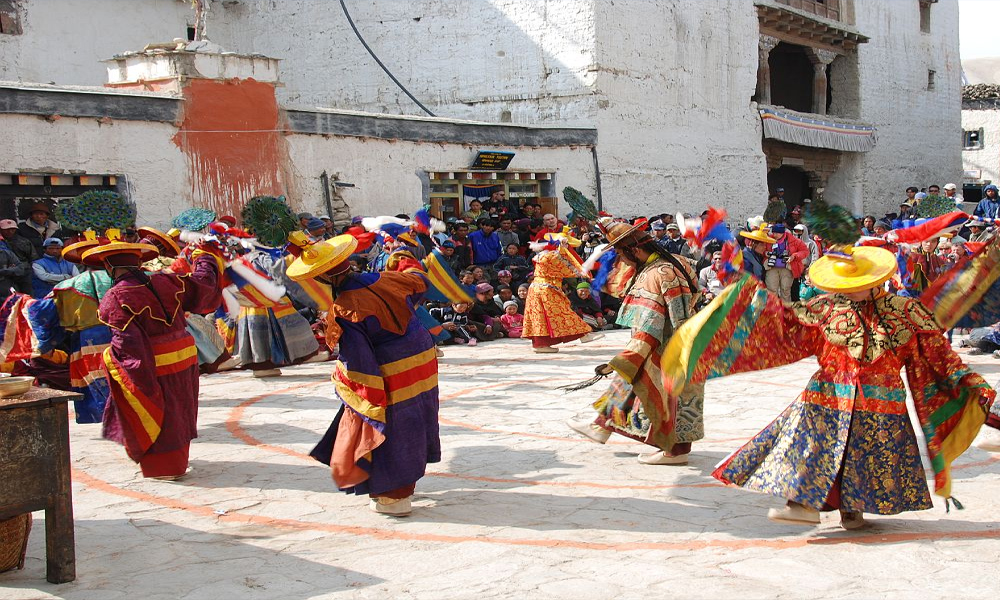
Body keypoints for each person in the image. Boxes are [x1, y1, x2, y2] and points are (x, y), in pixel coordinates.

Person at [662, 236, 995, 530]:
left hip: (881, 402)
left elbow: (938, 356)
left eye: (855, 285)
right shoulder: (825, 308)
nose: (847, 291)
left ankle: (852, 510)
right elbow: (783, 321)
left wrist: (970, 383)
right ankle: (803, 506)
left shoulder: (907, 312)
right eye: (843, 285)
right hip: (826, 396)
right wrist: (747, 293)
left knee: (865, 459)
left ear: (877, 281)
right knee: (811, 448)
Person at [288, 234, 442, 516]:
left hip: (392, 370)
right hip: (422, 359)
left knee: (388, 426)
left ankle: (394, 496)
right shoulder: (387, 278)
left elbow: (358, 361)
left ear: (321, 278)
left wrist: (357, 391)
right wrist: (401, 257)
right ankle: (403, 484)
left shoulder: (345, 308)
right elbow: (420, 282)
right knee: (417, 417)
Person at [82, 235, 222, 479]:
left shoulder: (117, 296)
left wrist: (126, 368)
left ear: (109, 267)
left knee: (160, 412)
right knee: (181, 409)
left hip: (153, 361)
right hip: (185, 357)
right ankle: (178, 460)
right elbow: (203, 285)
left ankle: (164, 467)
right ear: (138, 263)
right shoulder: (168, 281)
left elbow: (128, 343)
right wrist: (205, 257)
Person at [568, 221, 704, 465]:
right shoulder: (675, 261)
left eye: (622, 254)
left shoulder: (655, 274)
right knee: (629, 383)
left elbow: (649, 327)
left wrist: (624, 359)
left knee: (669, 397)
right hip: (681, 336)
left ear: (636, 251)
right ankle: (601, 426)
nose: (622, 260)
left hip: (666, 344)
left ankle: (675, 451)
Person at [522, 238, 598, 353]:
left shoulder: (541, 256)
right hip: (546, 290)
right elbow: (572, 269)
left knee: (540, 318)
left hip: (537, 288)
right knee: (562, 312)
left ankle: (540, 344)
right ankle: (583, 335)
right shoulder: (551, 256)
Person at [763, 223, 808, 303]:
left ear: (782, 233)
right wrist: (765, 253)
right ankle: (773, 308)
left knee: (785, 290)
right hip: (772, 267)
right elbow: (761, 249)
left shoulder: (794, 240)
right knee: (771, 289)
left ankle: (786, 308)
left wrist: (794, 256)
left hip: (787, 267)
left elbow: (805, 251)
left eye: (777, 233)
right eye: (773, 233)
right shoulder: (768, 239)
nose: (774, 235)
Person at [0, 219, 36, 293]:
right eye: (6, 229)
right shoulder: (1, 243)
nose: (10, 231)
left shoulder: (24, 242)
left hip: (24, 273)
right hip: (5, 276)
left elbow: (33, 258)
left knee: (27, 294)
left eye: (12, 229)